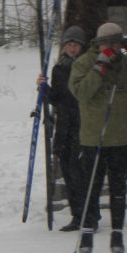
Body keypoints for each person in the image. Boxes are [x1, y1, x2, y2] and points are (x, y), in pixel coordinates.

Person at [69, 22, 127, 253]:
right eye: (108, 44)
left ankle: (117, 234)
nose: (114, 48)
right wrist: (99, 67)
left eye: (118, 43)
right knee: (92, 188)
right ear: (99, 44)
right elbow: (81, 92)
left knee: (118, 189)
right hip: (94, 138)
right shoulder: (84, 62)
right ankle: (86, 233)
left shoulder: (126, 63)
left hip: (122, 136)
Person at [38, 25, 88, 231]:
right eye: (69, 44)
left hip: (82, 125)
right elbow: (57, 98)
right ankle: (77, 215)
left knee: (79, 173)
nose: (72, 48)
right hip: (64, 126)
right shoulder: (59, 69)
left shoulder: (86, 67)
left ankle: (88, 215)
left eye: (76, 45)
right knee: (68, 173)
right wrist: (44, 88)